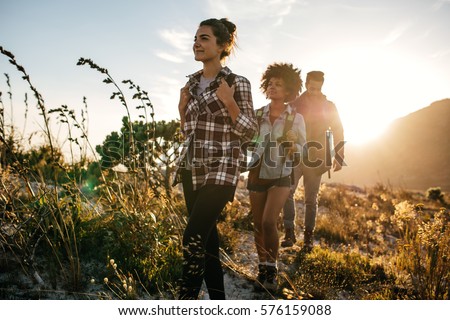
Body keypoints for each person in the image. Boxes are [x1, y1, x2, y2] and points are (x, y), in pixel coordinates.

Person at [173, 18, 258, 300]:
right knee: (207, 241)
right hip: (192, 167)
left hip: (222, 168)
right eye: (196, 37)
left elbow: (250, 131)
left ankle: (185, 301)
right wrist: (182, 110)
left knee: (192, 236)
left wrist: (230, 102)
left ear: (223, 45)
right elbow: (188, 132)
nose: (196, 42)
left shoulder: (237, 83)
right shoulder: (191, 83)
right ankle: (219, 304)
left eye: (205, 38)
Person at [247, 63, 306, 291]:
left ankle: (272, 271)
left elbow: (303, 151)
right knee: (257, 224)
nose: (272, 87)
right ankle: (262, 268)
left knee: (269, 221)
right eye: (270, 83)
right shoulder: (258, 114)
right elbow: (249, 142)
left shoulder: (296, 119)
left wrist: (293, 145)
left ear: (289, 90)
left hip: (281, 174)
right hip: (257, 172)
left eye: (278, 84)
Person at [281, 71, 345, 250]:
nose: (314, 91)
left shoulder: (329, 106)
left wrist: (339, 155)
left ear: (322, 87)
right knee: (287, 192)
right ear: (307, 84)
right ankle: (289, 233)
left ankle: (308, 238)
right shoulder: (294, 105)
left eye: (317, 89)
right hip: (294, 156)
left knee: (311, 199)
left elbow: (339, 130)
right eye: (311, 87)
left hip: (316, 159)